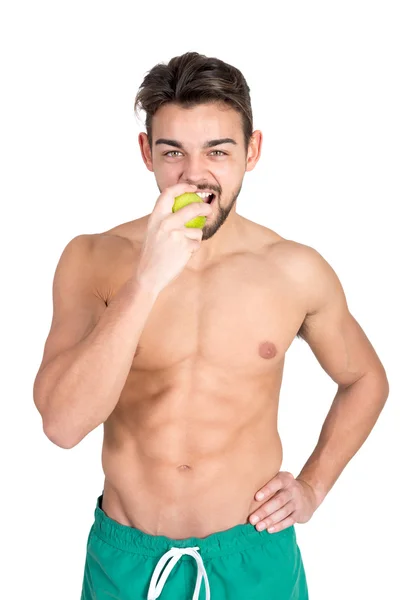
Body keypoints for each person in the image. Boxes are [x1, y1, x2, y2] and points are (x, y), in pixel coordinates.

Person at [33, 51, 389, 600]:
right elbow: (61, 424)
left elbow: (366, 379)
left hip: (253, 555)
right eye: (173, 151)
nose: (194, 174)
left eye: (217, 151)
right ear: (147, 152)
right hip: (126, 561)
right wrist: (145, 281)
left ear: (252, 152)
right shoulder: (92, 259)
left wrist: (314, 486)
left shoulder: (294, 269)